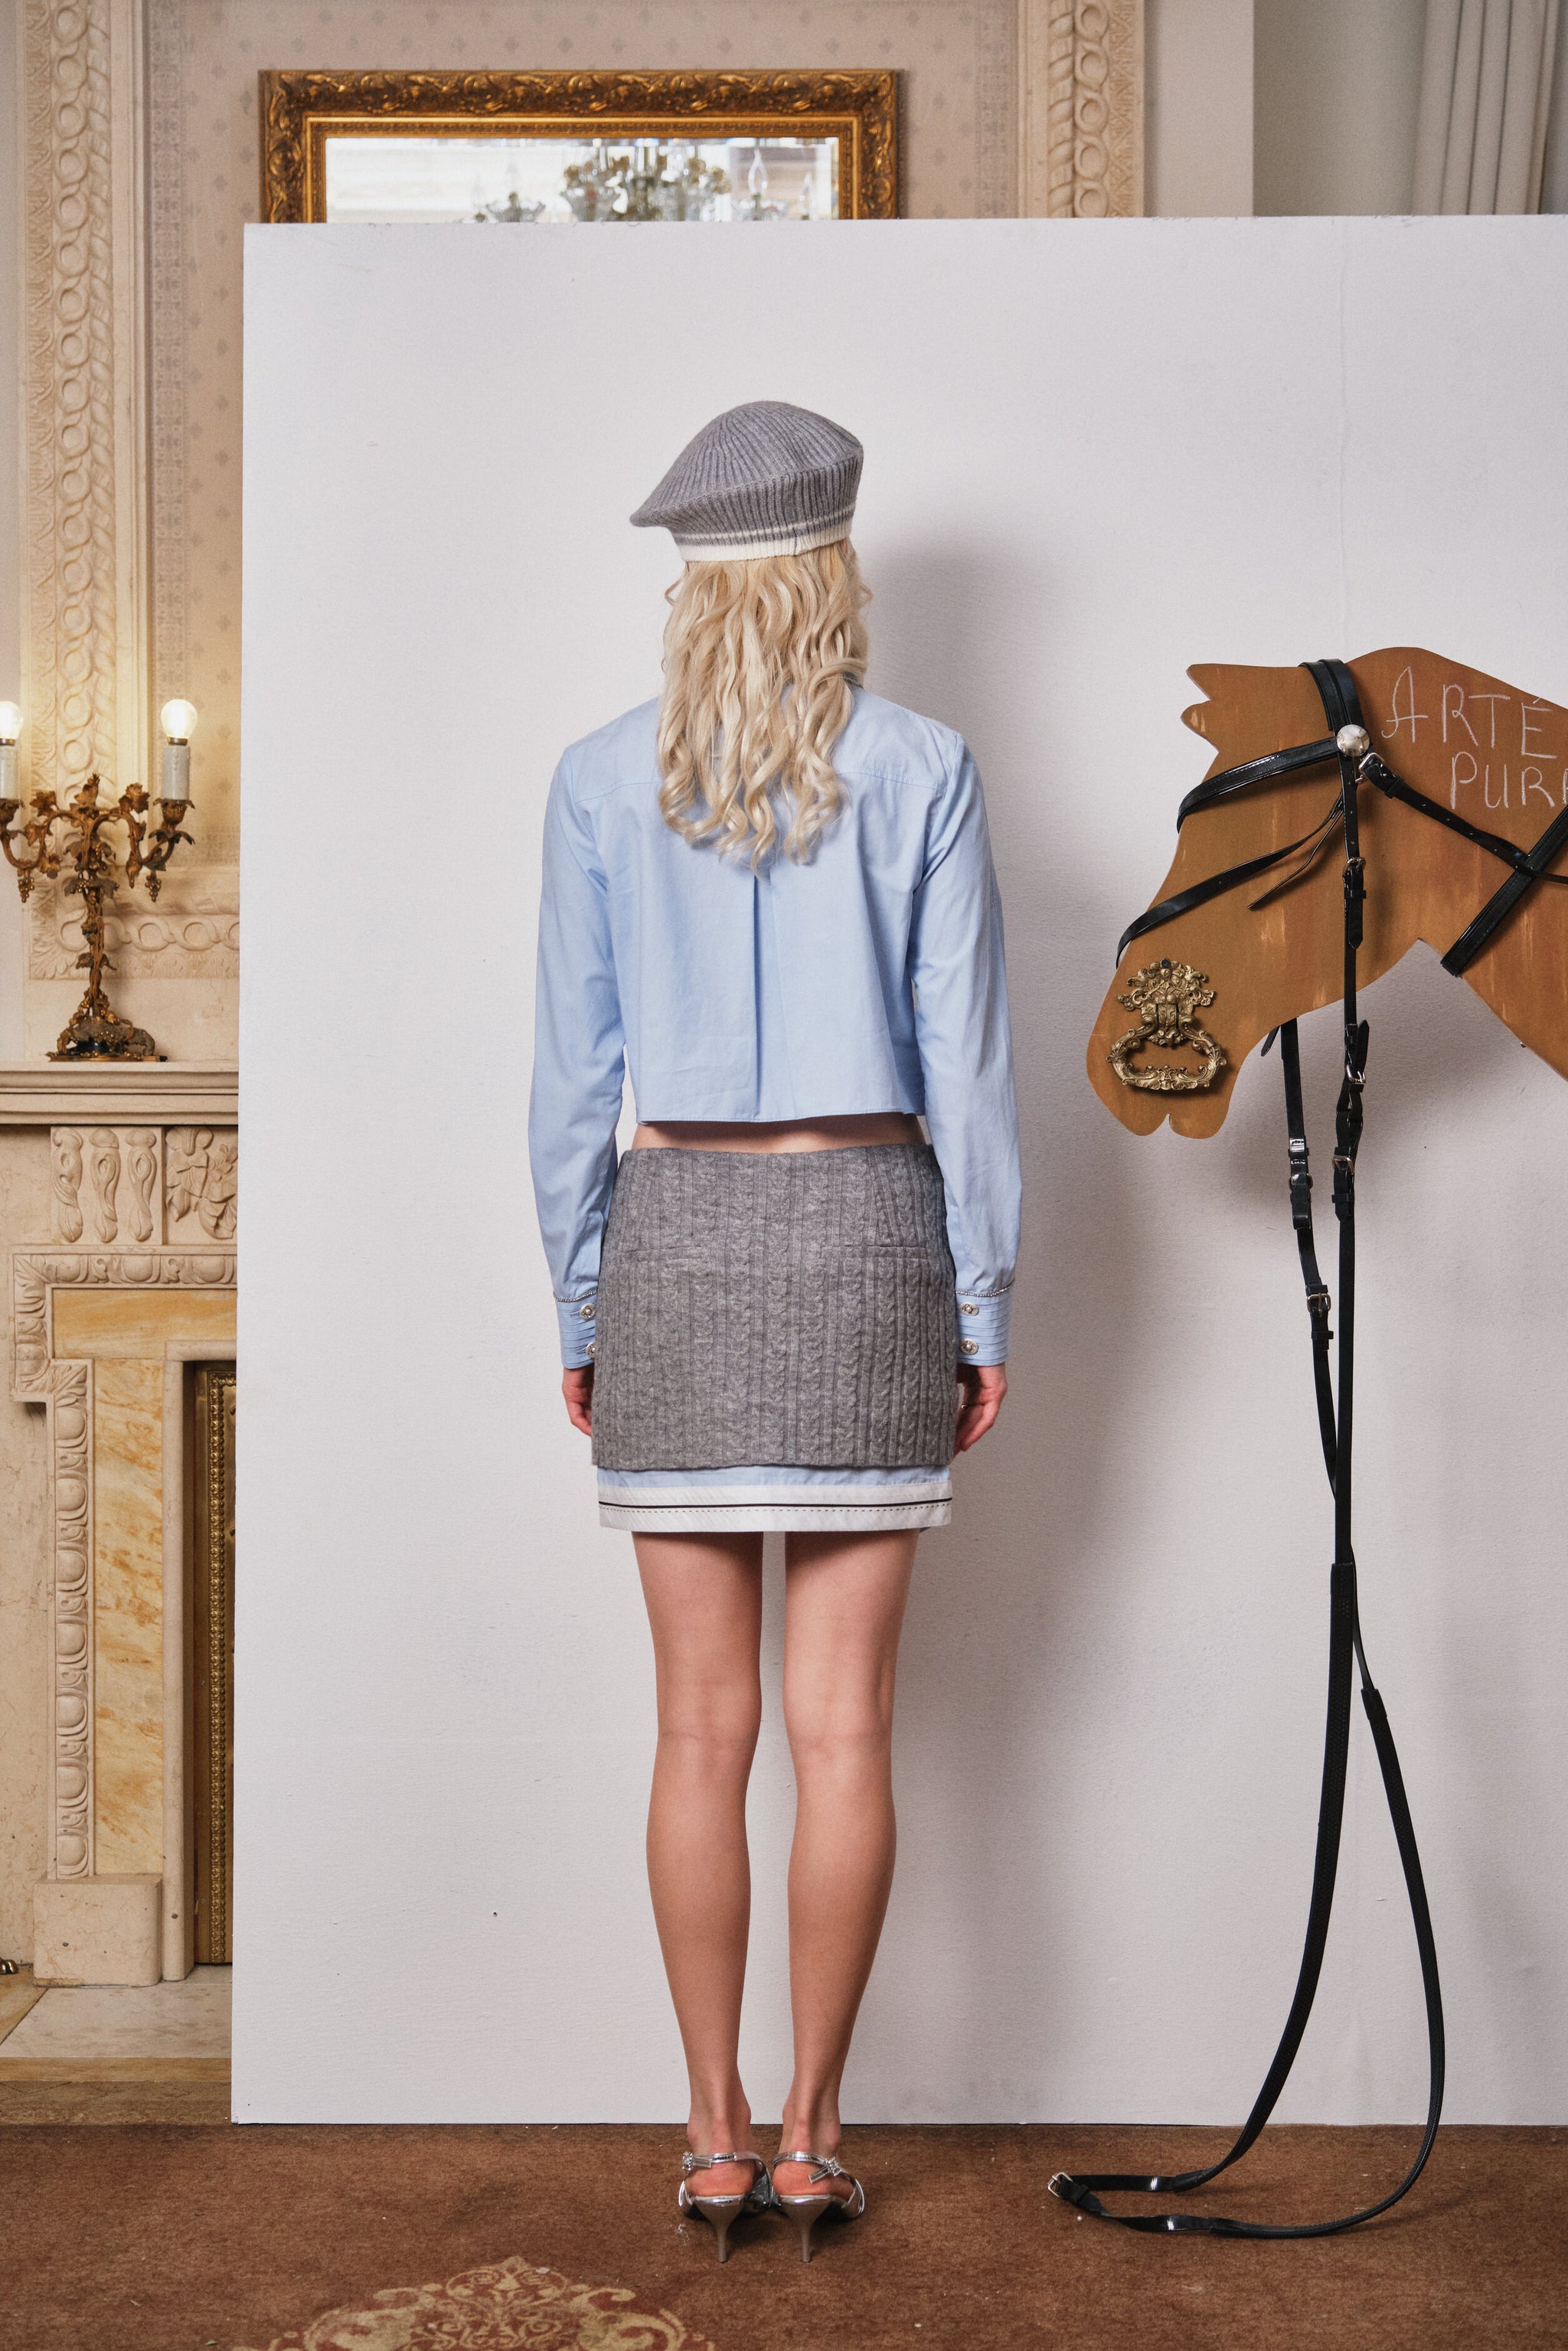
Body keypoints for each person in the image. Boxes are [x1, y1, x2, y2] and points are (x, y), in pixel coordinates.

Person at [529, 400, 1020, 2263]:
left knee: (695, 1729)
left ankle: (709, 2129)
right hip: (871, 1234)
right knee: (844, 1728)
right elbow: (967, 1068)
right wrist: (983, 1298)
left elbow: (569, 1083)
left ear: (689, 574)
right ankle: (815, 2134)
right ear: (836, 569)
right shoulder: (924, 766)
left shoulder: (597, 777)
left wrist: (584, 1297)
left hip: (673, 1238)